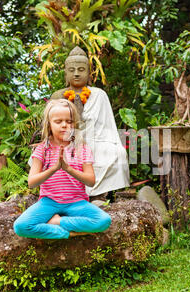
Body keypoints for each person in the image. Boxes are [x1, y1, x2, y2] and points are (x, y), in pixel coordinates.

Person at [14, 99, 112, 239]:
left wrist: (68, 169)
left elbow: (90, 181)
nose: (65, 125)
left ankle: (57, 222)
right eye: (58, 121)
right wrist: (53, 169)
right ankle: (65, 233)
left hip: (76, 202)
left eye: (69, 121)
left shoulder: (82, 148)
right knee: (21, 226)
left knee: (103, 221)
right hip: (49, 202)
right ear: (49, 125)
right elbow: (32, 182)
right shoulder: (42, 149)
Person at [50, 46, 130, 202]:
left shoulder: (99, 95)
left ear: (89, 73)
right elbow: (51, 124)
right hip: (67, 140)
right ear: (66, 74)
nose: (77, 73)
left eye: (81, 69)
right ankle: (68, 196)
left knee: (117, 153)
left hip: (96, 139)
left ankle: (98, 195)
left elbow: (106, 127)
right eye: (72, 70)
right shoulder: (59, 95)